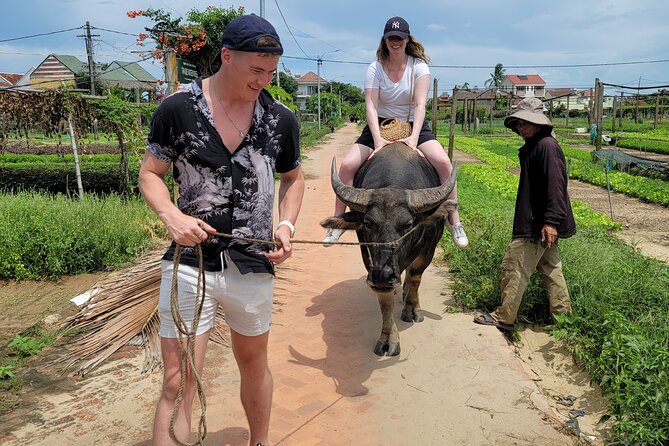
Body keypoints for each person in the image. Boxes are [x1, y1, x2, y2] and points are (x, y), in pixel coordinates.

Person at [138, 14, 304, 446]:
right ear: (226, 56)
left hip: (253, 261)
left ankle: (260, 441)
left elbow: (293, 178)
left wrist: (285, 224)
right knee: (178, 380)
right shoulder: (177, 109)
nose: (264, 81)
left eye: (271, 72)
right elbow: (150, 174)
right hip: (190, 262)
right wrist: (171, 216)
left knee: (254, 362)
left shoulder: (281, 119)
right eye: (256, 70)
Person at [322, 16, 468, 248]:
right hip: (380, 124)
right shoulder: (375, 67)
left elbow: (421, 105)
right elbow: (370, 104)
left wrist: (413, 139)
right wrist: (377, 141)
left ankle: (454, 220)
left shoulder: (419, 67)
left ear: (407, 39)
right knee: (347, 166)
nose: (395, 41)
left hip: (413, 124)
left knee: (444, 164)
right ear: (385, 40)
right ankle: (338, 220)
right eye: (391, 37)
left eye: (399, 37)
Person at [473, 97, 576, 332]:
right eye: (518, 123)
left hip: (537, 223)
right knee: (552, 270)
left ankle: (504, 316)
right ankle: (563, 319)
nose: (521, 127)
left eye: (525, 123)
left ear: (539, 123)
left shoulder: (546, 147)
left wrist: (550, 221)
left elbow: (556, 186)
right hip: (542, 222)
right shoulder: (536, 146)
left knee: (515, 266)